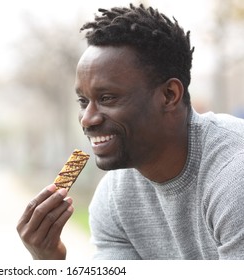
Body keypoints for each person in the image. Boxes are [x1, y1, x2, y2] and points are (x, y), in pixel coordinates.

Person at [16, 3, 244, 260]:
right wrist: (50, 263)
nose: (88, 119)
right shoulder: (115, 197)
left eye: (108, 98)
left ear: (169, 95)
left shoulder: (234, 177)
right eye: (83, 102)